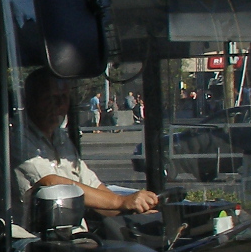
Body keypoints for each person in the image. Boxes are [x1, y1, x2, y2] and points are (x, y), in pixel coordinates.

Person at [12, 69, 159, 221]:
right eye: (51, 98)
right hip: (32, 239)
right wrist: (121, 201)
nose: (60, 105)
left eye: (64, 98)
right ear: (30, 100)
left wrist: (133, 209)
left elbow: (94, 188)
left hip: (72, 236)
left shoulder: (60, 139)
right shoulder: (16, 139)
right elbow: (51, 183)